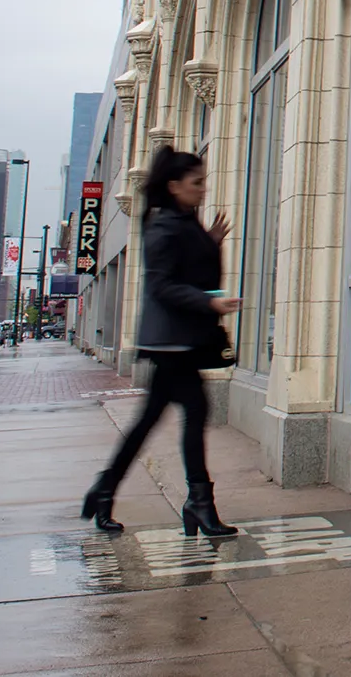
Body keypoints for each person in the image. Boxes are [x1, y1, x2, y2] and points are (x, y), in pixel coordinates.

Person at [80, 147, 242, 538]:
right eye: (197, 183)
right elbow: (162, 285)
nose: (203, 190)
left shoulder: (182, 222)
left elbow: (192, 269)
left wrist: (212, 242)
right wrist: (209, 301)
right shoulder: (164, 225)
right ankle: (198, 503)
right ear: (174, 186)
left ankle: (107, 491)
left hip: (179, 341)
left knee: (154, 420)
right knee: (192, 413)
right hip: (172, 343)